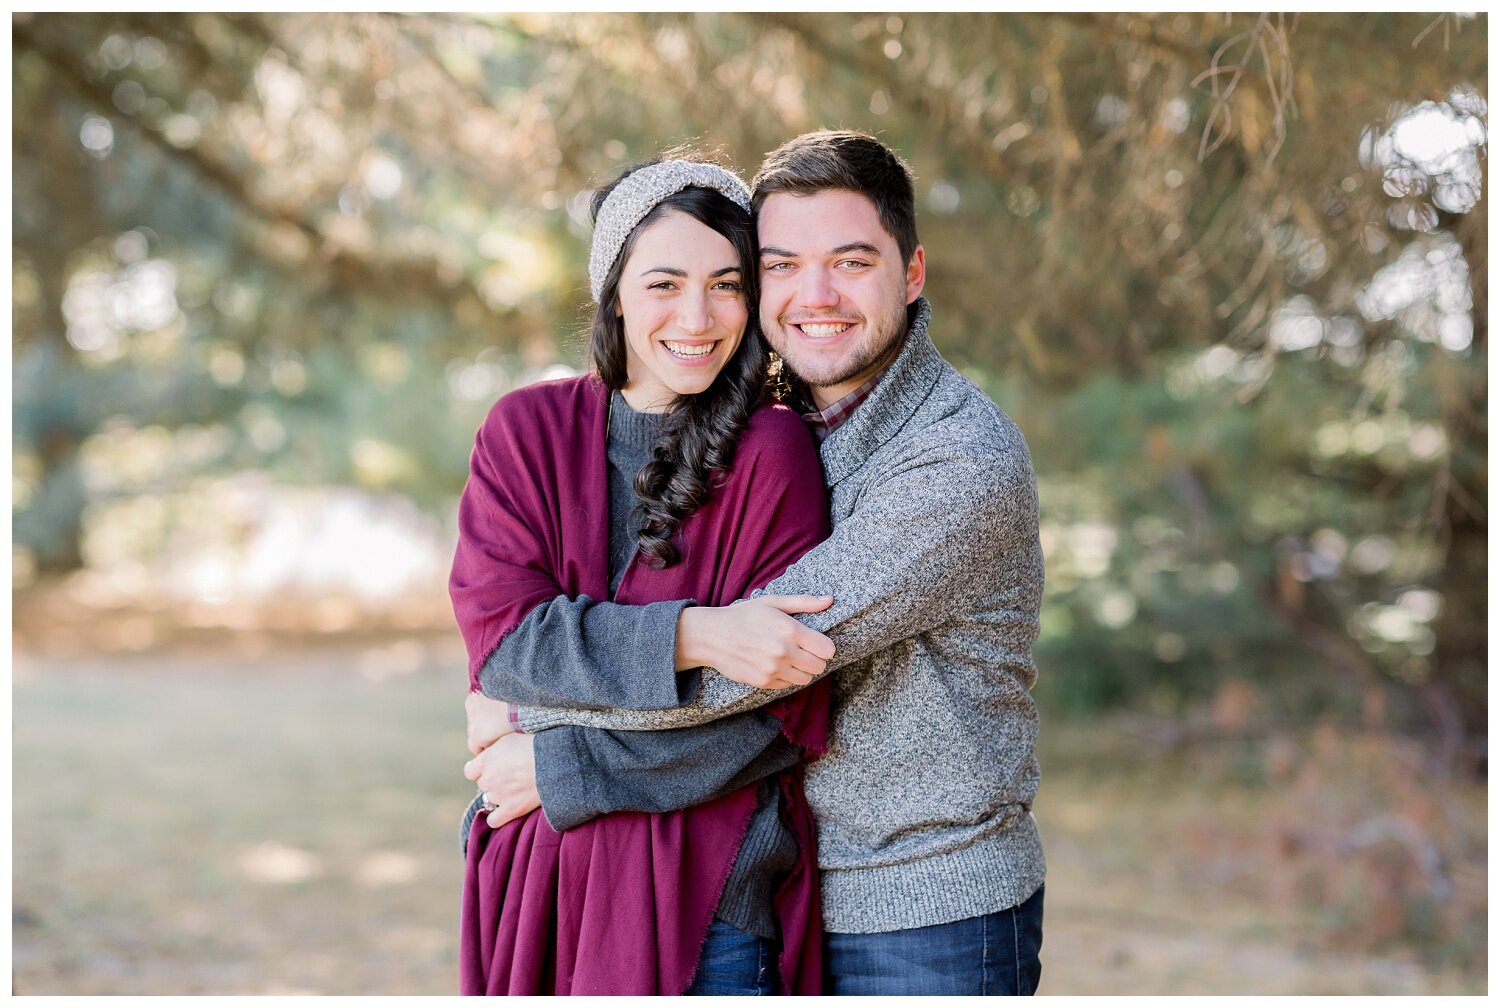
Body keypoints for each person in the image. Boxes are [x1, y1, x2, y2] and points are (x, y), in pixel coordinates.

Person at [467, 130, 1047, 995]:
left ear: (913, 273)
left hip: (928, 900)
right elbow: (511, 635)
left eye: (851, 262)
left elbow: (769, 670)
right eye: (782, 265)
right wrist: (684, 636)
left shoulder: (957, 460)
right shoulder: (797, 425)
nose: (816, 294)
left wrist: (545, 745)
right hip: (804, 880)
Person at [450, 156, 836, 996]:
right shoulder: (526, 432)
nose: (697, 317)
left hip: (707, 911)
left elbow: (768, 719)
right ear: (614, 291)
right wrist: (701, 636)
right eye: (665, 282)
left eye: (725, 284)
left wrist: (550, 755)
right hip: (540, 889)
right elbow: (510, 643)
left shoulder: (772, 454)